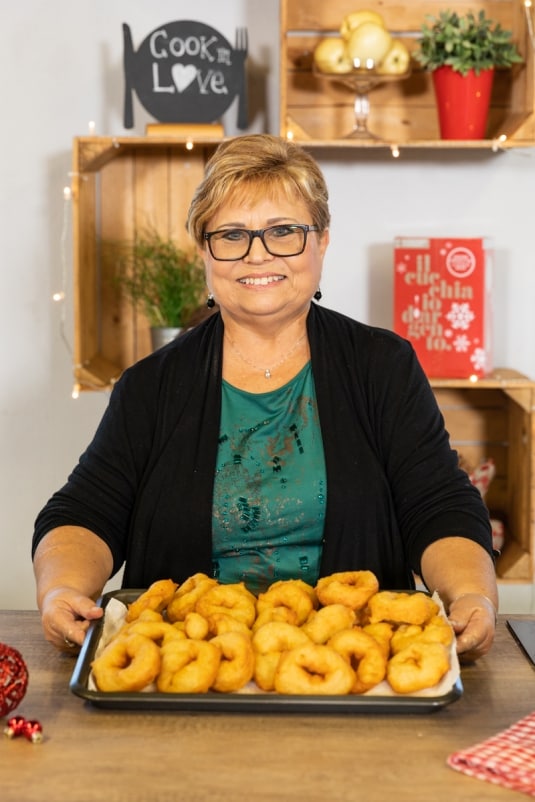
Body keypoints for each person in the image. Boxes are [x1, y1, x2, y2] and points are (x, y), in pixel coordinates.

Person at [32, 133, 498, 661]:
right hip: (189, 667)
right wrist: (60, 590)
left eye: (284, 231)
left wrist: (471, 594)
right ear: (205, 251)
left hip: (356, 665)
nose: (257, 255)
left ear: (321, 242)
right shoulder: (151, 386)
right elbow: (84, 512)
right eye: (231, 234)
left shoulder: (382, 367)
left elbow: (439, 506)